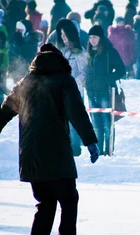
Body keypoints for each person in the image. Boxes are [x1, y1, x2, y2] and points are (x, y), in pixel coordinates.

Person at [0, 43, 99, 235]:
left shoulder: (25, 82)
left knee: (45, 205)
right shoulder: (63, 80)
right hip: (56, 152)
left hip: (31, 155)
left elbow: (4, 110)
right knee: (68, 200)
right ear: (59, 60)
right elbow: (76, 110)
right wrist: (90, 141)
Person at [85, 24, 126, 156]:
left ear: (101, 38)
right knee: (96, 125)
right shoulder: (89, 52)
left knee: (107, 125)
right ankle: (98, 153)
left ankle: (108, 152)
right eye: (90, 37)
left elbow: (121, 70)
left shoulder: (110, 52)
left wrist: (107, 79)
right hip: (91, 93)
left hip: (106, 92)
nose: (92, 40)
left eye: (95, 37)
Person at [56, 18, 88, 156]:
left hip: (74, 92)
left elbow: (84, 73)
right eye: (61, 35)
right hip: (59, 92)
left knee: (74, 120)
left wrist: (72, 84)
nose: (63, 38)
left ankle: (75, 147)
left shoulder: (79, 52)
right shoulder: (61, 50)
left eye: (65, 35)